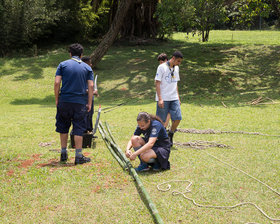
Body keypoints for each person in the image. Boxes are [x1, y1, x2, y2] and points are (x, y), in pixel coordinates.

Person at [54, 43, 94, 165]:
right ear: (81, 55)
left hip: (64, 100)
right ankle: (78, 156)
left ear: (70, 53)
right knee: (78, 128)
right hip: (80, 102)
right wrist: (89, 103)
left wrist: (57, 99)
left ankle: (63, 153)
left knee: (63, 126)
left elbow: (57, 83)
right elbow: (91, 86)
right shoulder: (87, 68)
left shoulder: (63, 65)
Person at [155, 51, 183, 146]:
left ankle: (170, 133)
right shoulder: (161, 67)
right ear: (173, 58)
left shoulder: (177, 68)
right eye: (178, 61)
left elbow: (176, 84)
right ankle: (159, 140)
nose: (179, 63)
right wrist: (160, 98)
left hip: (174, 97)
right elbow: (157, 83)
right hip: (164, 97)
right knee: (161, 121)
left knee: (178, 118)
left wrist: (178, 98)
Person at [81, 56, 99, 133]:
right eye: (89, 63)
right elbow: (83, 89)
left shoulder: (89, 73)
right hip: (84, 100)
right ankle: (83, 132)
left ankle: (89, 131)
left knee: (89, 115)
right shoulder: (81, 74)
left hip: (90, 99)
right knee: (84, 116)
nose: (91, 65)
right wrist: (94, 92)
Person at [157, 53, 171, 129]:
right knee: (163, 113)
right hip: (163, 95)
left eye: (161, 62)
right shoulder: (161, 68)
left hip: (168, 95)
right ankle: (163, 127)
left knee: (169, 112)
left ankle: (164, 127)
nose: (160, 64)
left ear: (166, 60)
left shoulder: (171, 68)